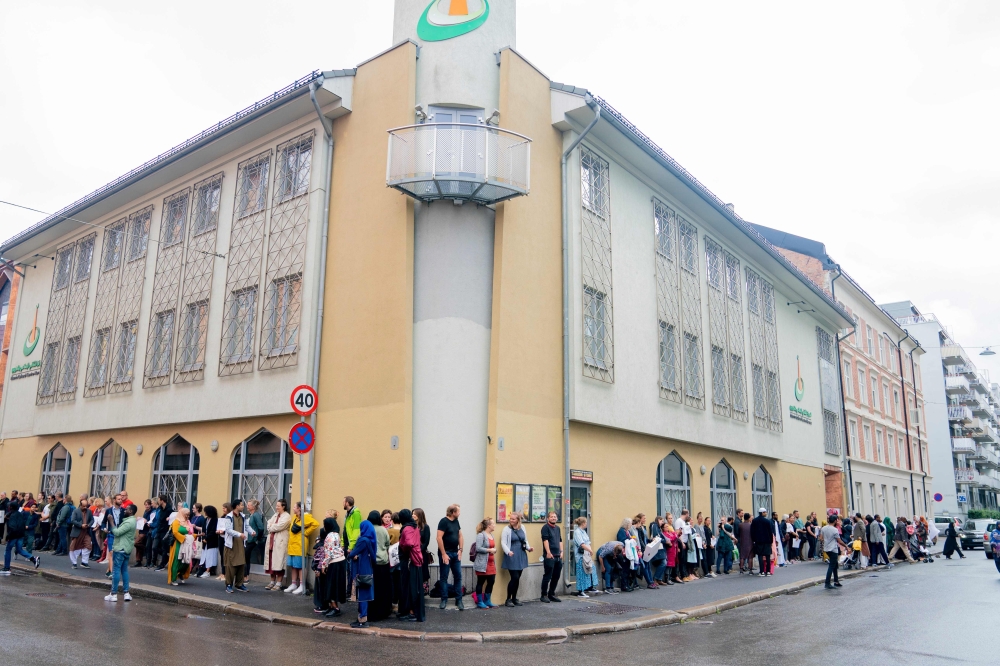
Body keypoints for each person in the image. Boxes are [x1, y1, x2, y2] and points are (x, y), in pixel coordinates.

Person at [313, 515, 346, 617]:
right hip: (341, 561)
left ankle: (335, 607)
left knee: (330, 586)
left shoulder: (329, 537)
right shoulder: (336, 534)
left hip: (334, 562)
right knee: (336, 585)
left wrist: (323, 565)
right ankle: (333, 607)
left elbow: (329, 553)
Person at [104, 504, 137, 602]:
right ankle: (126, 593)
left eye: (126, 509)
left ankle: (113, 594)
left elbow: (118, 532)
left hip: (121, 548)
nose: (124, 511)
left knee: (116, 571)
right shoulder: (131, 520)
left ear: (131, 511)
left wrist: (111, 522)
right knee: (124, 571)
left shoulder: (129, 522)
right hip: (126, 548)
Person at [348, 518, 377, 628]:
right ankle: (361, 618)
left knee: (362, 596)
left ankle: (362, 620)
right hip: (367, 568)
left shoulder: (363, 540)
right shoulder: (370, 540)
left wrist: (351, 554)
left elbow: (352, 553)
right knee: (364, 594)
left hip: (361, 569)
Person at [398, 509, 425, 622]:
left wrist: (402, 546)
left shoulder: (406, 528)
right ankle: (413, 611)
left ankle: (411, 612)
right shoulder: (415, 527)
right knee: (414, 586)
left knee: (409, 586)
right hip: (415, 560)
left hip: (408, 560)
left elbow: (408, 543)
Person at [286, 502, 319, 595]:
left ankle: (302, 585)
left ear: (299, 508)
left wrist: (306, 532)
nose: (293, 508)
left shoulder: (306, 517)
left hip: (300, 545)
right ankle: (293, 583)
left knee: (300, 566)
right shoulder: (295, 518)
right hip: (292, 545)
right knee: (293, 566)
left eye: (294, 507)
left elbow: (315, 524)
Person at [436, 504, 464, 610]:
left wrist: (460, 550)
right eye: (458, 511)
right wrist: (443, 554)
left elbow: (460, 535)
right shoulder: (443, 521)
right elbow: (439, 538)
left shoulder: (456, 521)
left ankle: (459, 599)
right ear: (453, 512)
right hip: (446, 553)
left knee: (458, 576)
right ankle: (444, 599)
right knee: (444, 577)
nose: (460, 513)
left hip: (455, 553)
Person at [501, 512, 533, 605]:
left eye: (513, 519)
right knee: (514, 577)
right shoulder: (506, 529)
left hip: (521, 554)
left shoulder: (522, 528)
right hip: (512, 554)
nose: (511, 520)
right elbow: (503, 542)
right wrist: (508, 551)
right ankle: (508, 599)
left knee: (518, 578)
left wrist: (529, 548)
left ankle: (514, 598)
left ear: (518, 520)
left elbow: (525, 540)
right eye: (510, 518)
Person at [0, 502, 40, 574]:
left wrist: (8, 536)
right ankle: (33, 558)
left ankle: (6, 568)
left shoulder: (13, 516)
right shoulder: (19, 514)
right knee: (19, 549)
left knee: (8, 550)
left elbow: (13, 527)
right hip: (21, 535)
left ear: (10, 507)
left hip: (14, 535)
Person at [367, 510, 393, 621]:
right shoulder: (383, 529)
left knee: (372, 588)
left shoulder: (368, 529)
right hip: (383, 561)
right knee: (383, 588)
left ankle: (371, 611)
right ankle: (384, 611)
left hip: (371, 562)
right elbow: (388, 544)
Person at [222, 499, 250, 593]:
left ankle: (239, 584)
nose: (243, 506)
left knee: (241, 564)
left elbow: (246, 526)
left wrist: (252, 531)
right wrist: (239, 534)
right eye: (241, 505)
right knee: (230, 565)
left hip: (240, 544)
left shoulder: (243, 516)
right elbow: (228, 530)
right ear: (236, 506)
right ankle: (229, 585)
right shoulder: (228, 517)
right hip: (231, 545)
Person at [264, 498, 292, 590]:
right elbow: (268, 523)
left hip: (280, 542)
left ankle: (279, 583)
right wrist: (271, 526)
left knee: (279, 562)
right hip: (272, 541)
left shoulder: (286, 516)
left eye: (278, 506)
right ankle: (272, 581)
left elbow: (280, 526)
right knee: (271, 562)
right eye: (276, 506)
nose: (276, 507)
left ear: (283, 507)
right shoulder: (276, 515)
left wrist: (271, 526)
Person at [473, 517, 498, 608]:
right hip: (482, 563)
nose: (494, 525)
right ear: (489, 526)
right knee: (481, 582)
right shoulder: (481, 535)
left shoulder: (492, 535)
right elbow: (478, 548)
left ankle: (487, 600)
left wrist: (494, 550)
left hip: (491, 563)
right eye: (493, 524)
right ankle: (480, 602)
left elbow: (492, 548)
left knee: (491, 581)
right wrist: (489, 550)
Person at [540, 511, 563, 602]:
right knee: (547, 576)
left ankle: (551, 594)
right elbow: (545, 540)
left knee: (556, 576)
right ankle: (543, 595)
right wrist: (548, 553)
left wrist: (562, 552)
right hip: (550, 556)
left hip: (558, 556)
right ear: (548, 518)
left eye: (555, 517)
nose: (553, 518)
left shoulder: (557, 528)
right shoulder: (545, 528)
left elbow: (560, 540)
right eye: (551, 517)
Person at [167, 506, 194, 586]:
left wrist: (196, 536)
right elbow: (175, 532)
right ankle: (173, 578)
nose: (187, 516)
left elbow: (190, 533)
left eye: (188, 515)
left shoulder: (187, 522)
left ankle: (181, 573)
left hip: (185, 543)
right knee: (176, 560)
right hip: (177, 543)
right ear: (182, 514)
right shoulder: (176, 522)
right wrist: (183, 538)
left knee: (185, 561)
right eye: (186, 515)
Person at [572, 517, 598, 597]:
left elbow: (588, 542)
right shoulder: (577, 532)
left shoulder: (583, 532)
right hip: (581, 555)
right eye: (586, 523)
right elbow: (581, 544)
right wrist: (590, 550)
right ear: (583, 523)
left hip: (587, 555)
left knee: (591, 569)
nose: (586, 524)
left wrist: (590, 550)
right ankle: (581, 591)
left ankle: (589, 586)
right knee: (582, 572)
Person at [821, 515, 847, 589]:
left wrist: (826, 540)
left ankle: (836, 581)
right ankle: (827, 583)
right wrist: (846, 546)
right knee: (832, 566)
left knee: (835, 565)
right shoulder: (835, 530)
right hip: (833, 549)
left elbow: (821, 538)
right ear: (835, 521)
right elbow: (839, 541)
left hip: (826, 548)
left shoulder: (823, 528)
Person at [196, 505, 220, 578]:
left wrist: (206, 538)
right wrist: (203, 537)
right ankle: (202, 570)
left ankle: (208, 571)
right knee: (204, 556)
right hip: (205, 541)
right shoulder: (205, 519)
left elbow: (213, 531)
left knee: (210, 556)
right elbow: (203, 530)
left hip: (212, 541)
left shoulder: (215, 520)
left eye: (206, 511)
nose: (205, 512)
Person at [69, 497, 92, 569]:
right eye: (84, 506)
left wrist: (89, 525)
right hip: (77, 531)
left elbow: (92, 520)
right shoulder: (76, 511)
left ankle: (84, 562)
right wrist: (80, 525)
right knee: (74, 547)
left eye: (86, 506)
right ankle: (74, 563)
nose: (85, 507)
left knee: (88, 546)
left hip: (86, 532)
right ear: (80, 505)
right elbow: (72, 520)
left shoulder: (89, 511)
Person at [152, 495, 173, 572]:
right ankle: (166, 558)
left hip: (165, 530)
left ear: (162, 501)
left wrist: (169, 519)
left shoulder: (169, 509)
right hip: (159, 530)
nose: (158, 501)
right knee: (154, 547)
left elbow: (172, 518)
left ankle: (162, 564)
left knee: (164, 548)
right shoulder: (160, 509)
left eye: (159, 500)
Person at [750, 508, 772, 577]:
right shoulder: (767, 521)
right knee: (767, 556)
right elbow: (770, 532)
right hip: (767, 540)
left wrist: (754, 539)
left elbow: (752, 531)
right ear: (762, 513)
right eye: (765, 512)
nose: (766, 513)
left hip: (758, 541)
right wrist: (771, 541)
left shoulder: (754, 521)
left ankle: (761, 571)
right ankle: (768, 571)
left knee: (760, 555)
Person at [413, 508, 431, 589]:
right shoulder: (412, 526)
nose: (413, 515)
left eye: (414, 514)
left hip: (421, 553)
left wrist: (420, 550)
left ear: (419, 515)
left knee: (423, 571)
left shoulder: (425, 527)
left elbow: (426, 541)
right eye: (412, 514)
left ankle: (423, 590)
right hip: (412, 553)